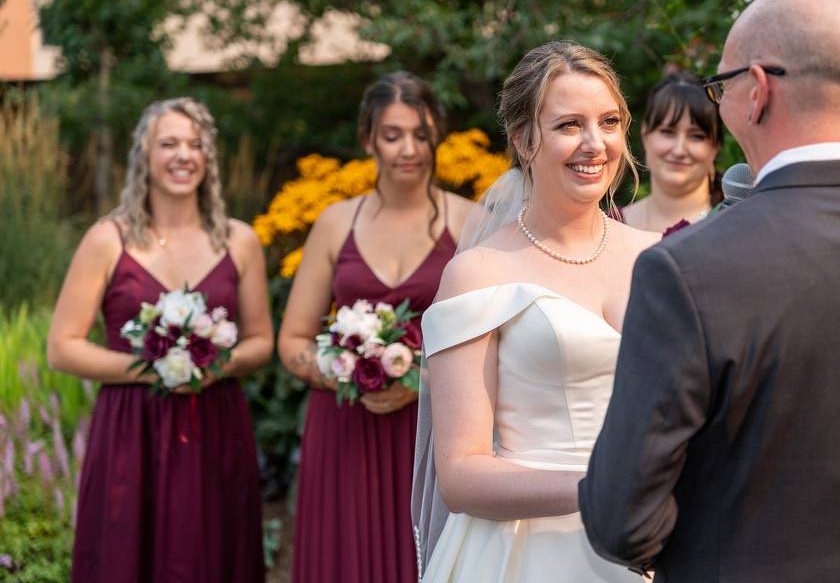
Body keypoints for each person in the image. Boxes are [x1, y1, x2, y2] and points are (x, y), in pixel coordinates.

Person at [580, 0, 840, 581]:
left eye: (721, 84)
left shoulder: (688, 268)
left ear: (756, 90)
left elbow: (620, 521)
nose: (720, 99)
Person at [417, 41, 660, 582]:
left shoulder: (660, 256)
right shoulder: (479, 273)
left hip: (653, 546)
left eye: (610, 121)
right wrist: (602, 488)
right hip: (527, 553)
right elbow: (459, 475)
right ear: (525, 140)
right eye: (569, 125)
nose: (595, 144)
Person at [47, 97, 273, 582]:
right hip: (131, 431)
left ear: (208, 158)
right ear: (144, 155)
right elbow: (62, 346)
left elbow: (260, 343)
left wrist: (211, 367)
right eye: (168, 143)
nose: (183, 155)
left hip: (214, 423)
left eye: (196, 144)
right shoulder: (108, 240)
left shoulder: (239, 241)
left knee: (213, 552)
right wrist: (157, 368)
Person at [277, 71, 474, 583]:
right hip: (344, 425)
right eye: (392, 135)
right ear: (368, 140)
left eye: (421, 134)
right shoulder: (335, 223)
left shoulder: (471, 223)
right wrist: (347, 371)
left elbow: (492, 344)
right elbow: (293, 340)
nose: (409, 149)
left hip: (434, 429)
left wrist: (418, 382)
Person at [621, 71, 724, 233]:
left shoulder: (733, 225)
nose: (679, 150)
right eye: (668, 132)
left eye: (696, 136)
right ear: (645, 134)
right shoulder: (608, 227)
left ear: (716, 146)